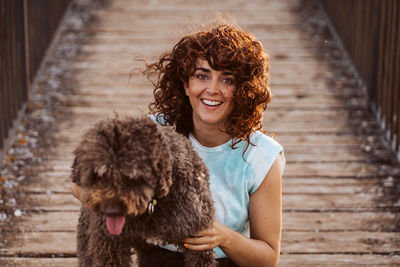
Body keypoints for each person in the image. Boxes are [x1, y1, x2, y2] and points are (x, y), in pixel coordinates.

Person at [72, 23, 285, 267]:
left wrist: (223, 236)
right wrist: (118, 203)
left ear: (244, 90)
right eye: (202, 76)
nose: (212, 90)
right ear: (186, 84)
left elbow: (268, 258)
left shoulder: (261, 155)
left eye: (227, 80)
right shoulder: (154, 132)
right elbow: (78, 184)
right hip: (156, 257)